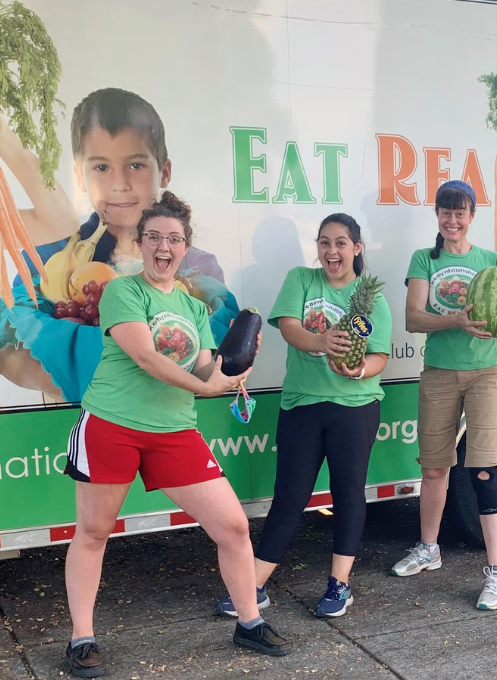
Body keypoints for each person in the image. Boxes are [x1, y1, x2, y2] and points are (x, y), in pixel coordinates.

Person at [61, 193, 290, 678]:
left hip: (173, 431)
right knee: (95, 532)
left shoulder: (193, 307)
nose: (164, 247)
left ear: (186, 247)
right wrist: (208, 384)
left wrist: (238, 362)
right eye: (155, 238)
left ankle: (248, 622)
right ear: (141, 243)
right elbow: (147, 357)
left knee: (232, 526)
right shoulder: (125, 292)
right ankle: (82, 639)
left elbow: (208, 367)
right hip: (112, 424)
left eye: (174, 239)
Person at [0, 88, 237, 403]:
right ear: (79, 176)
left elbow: (206, 357)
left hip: (166, 422)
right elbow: (10, 353)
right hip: (71, 424)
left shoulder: (197, 268)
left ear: (164, 171)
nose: (119, 183)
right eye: (101, 167)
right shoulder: (48, 259)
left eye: (136, 165)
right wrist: (102, 376)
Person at [214, 213, 390, 619]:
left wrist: (359, 369)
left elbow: (380, 355)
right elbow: (289, 328)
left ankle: (340, 584)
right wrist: (323, 341)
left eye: (341, 243)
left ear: (356, 248)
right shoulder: (301, 279)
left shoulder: (371, 296)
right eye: (325, 242)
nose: (332, 251)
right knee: (290, 497)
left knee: (348, 495)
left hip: (356, 406)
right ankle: (255, 585)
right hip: (302, 405)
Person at [392, 180, 497, 610]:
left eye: (461, 212)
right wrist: (455, 320)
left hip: (487, 372)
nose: (453, 220)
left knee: (486, 469)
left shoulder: (492, 261)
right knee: (434, 468)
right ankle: (428, 548)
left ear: (472, 216)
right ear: (437, 216)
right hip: (439, 373)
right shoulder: (424, 259)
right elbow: (414, 318)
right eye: (446, 212)